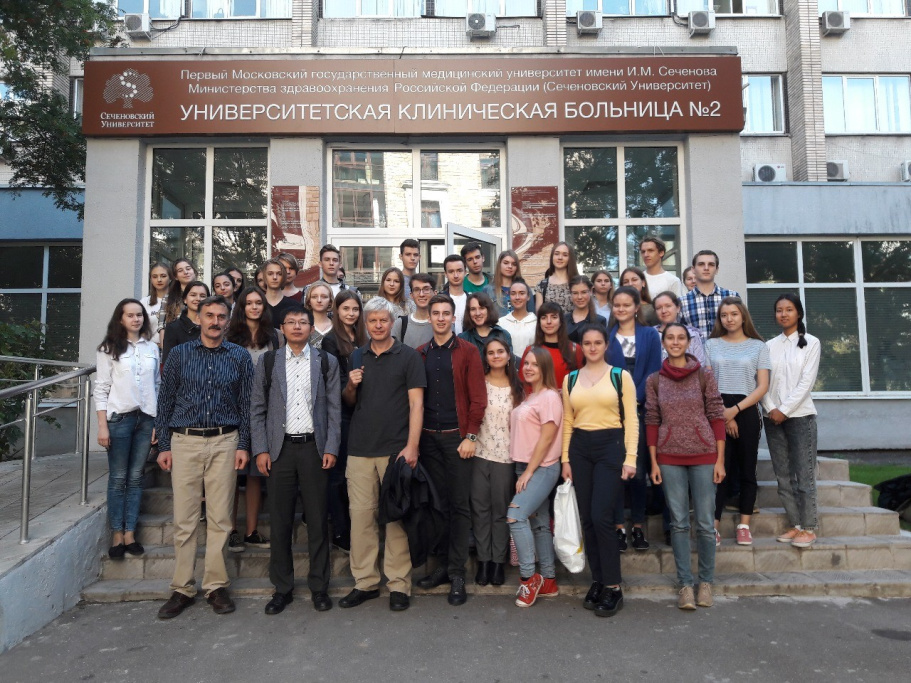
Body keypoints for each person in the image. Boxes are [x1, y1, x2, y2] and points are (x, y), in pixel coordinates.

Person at [155, 295, 254, 619]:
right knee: (184, 520)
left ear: (228, 320)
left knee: (221, 519)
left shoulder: (240, 356)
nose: (215, 321)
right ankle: (182, 588)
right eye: (209, 315)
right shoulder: (180, 355)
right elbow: (165, 401)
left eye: (221, 316)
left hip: (225, 441)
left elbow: (247, 404)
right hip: (185, 442)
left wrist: (244, 445)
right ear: (198, 318)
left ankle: (215, 586)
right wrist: (164, 445)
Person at [251, 304, 341, 616]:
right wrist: (261, 449)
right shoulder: (268, 362)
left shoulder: (326, 362)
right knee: (280, 521)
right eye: (291, 322)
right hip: (281, 451)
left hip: (315, 448)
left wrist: (331, 447)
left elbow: (334, 409)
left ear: (311, 328)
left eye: (303, 322)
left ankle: (319, 587)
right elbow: (257, 408)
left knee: (317, 520)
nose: (298, 326)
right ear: (283, 328)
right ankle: (282, 588)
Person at [339, 297, 425, 612]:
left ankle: (399, 584)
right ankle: (365, 582)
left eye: (383, 320)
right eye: (372, 320)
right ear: (366, 323)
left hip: (395, 450)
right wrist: (350, 385)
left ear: (392, 323)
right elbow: (350, 402)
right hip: (360, 448)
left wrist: (412, 446)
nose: (378, 325)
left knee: (396, 520)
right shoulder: (356, 356)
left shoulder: (409, 357)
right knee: (361, 518)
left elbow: (417, 404)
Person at [646, 323, 726, 610]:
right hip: (669, 457)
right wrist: (654, 462)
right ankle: (684, 584)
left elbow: (716, 414)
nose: (676, 342)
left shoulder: (704, 375)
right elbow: (652, 420)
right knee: (678, 523)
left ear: (689, 342)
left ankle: (705, 582)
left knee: (704, 522)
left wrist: (720, 459)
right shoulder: (655, 380)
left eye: (681, 337)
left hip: (704, 455)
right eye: (670, 338)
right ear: (663, 343)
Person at [415, 294, 487, 606]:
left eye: (446, 313)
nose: (441, 318)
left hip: (458, 440)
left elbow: (478, 398)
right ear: (429, 317)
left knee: (459, 506)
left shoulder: (468, 351)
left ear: (453, 318)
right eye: (436, 313)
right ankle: (443, 567)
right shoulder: (420, 353)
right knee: (438, 506)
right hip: (428, 440)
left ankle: (458, 573)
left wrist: (471, 436)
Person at [562, 325, 639, 618]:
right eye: (587, 343)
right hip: (580, 449)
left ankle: (613, 587)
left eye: (598, 342)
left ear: (606, 345)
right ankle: (598, 580)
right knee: (587, 519)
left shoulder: (620, 376)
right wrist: (565, 459)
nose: (592, 347)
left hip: (611, 446)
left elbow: (632, 420)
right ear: (580, 346)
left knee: (601, 516)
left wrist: (630, 458)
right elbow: (568, 421)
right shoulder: (570, 379)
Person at [94, 298, 160, 560]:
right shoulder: (108, 348)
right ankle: (117, 534)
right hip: (119, 419)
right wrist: (102, 426)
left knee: (135, 477)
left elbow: (157, 385)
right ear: (120, 319)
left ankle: (130, 533)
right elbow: (101, 388)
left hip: (146, 419)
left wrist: (157, 421)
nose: (136, 319)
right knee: (118, 478)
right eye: (130, 315)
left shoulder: (152, 347)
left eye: (139, 315)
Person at [705, 297, 770, 546]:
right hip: (718, 408)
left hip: (747, 410)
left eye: (733, 314)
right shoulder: (711, 344)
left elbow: (762, 386)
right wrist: (724, 413)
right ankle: (714, 526)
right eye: (724, 315)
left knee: (747, 469)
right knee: (719, 469)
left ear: (743, 316)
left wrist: (735, 410)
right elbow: (708, 383)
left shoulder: (758, 346)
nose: (729, 319)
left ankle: (744, 525)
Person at [761, 294, 822, 549]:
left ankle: (809, 527)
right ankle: (795, 524)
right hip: (772, 418)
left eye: (789, 309)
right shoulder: (768, 346)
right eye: (779, 310)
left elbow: (806, 383)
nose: (783, 314)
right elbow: (761, 382)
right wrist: (771, 409)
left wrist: (784, 410)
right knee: (783, 475)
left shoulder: (812, 343)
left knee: (804, 474)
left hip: (800, 416)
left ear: (798, 313)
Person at [605, 286, 662, 552]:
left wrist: (633, 400)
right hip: (611, 412)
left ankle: (638, 527)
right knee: (616, 471)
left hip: (640, 409)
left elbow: (654, 371)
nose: (621, 309)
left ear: (637, 307)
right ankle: (618, 527)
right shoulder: (606, 336)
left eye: (627, 305)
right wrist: (619, 403)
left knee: (638, 472)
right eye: (617, 305)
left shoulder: (650, 335)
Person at [507, 347, 564, 608]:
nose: (528, 368)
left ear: (545, 369)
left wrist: (529, 472)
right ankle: (549, 581)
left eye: (535, 364)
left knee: (515, 516)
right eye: (526, 363)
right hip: (525, 466)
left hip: (542, 467)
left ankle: (529, 579)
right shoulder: (531, 396)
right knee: (540, 524)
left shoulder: (550, 397)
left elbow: (547, 438)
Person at [225, 286, 280, 553]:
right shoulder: (230, 336)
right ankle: (231, 530)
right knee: (233, 475)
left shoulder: (275, 336)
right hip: (234, 409)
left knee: (256, 474)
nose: (255, 307)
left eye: (259, 302)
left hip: (264, 410)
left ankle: (251, 531)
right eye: (249, 303)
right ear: (242, 307)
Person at [471, 338, 522, 588]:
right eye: (491, 352)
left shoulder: (518, 386)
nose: (496, 356)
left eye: (500, 351)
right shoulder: (478, 383)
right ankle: (483, 561)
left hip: (506, 457)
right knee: (480, 509)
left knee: (501, 511)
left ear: (509, 355)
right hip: (479, 454)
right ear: (486, 357)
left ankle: (498, 562)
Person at [321, 290, 368, 553]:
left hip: (363, 412)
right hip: (341, 413)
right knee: (338, 475)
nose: (351, 313)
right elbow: (335, 383)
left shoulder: (363, 338)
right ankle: (340, 530)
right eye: (346, 308)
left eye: (355, 309)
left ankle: (355, 527)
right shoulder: (330, 341)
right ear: (336, 311)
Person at [519, 301, 583, 390]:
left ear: (561, 321)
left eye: (554, 317)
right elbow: (523, 385)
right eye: (544, 318)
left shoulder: (574, 349)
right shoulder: (530, 350)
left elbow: (582, 382)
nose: (549, 322)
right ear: (539, 322)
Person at [680, 250, 741, 338]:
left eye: (711, 264)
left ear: (717, 270)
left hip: (727, 347)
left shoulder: (732, 296)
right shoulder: (682, 302)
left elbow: (741, 329)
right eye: (701, 264)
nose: (706, 268)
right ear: (693, 269)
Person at [161, 281, 209, 367]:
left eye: (202, 296)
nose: (198, 299)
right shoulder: (173, 328)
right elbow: (168, 363)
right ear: (185, 299)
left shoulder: (213, 326)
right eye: (193, 295)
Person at [653, 291, 706, 365]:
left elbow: (700, 364)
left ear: (678, 308)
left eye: (668, 306)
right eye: (658, 308)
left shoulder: (692, 335)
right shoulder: (650, 336)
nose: (663, 311)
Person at [458, 291, 513, 357]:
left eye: (481, 308)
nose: (478, 313)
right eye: (473, 309)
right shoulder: (462, 339)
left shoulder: (503, 335)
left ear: (489, 310)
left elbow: (509, 361)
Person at [392, 272, 436, 349]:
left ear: (435, 293)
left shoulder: (442, 323)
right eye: (417, 290)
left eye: (426, 289)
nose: (421, 294)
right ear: (411, 295)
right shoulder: (400, 324)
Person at [535, 241, 578, 313]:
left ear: (570, 258)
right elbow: (539, 314)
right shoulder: (541, 285)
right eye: (557, 254)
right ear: (552, 256)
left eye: (565, 255)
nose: (560, 258)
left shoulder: (577, 283)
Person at [499, 279, 537, 358]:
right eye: (513, 293)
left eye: (521, 293)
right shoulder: (501, 323)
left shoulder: (536, 323)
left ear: (528, 296)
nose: (517, 297)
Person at [158, 258, 198, 330]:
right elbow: (161, 326)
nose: (186, 272)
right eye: (180, 270)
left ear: (194, 271)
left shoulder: (203, 295)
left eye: (188, 269)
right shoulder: (168, 297)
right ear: (176, 277)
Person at [565, 275, 607, 344]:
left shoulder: (600, 321)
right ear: (570, 294)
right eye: (575, 293)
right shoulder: (563, 320)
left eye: (584, 292)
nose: (579, 297)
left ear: (591, 291)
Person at [262, 258, 296, 330]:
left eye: (279, 274)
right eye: (270, 274)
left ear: (283, 277)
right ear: (264, 277)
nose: (274, 277)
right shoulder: (257, 305)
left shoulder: (294, 306)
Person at [492, 249, 528, 316]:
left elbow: (531, 314)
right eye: (506, 263)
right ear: (499, 265)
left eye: (514, 264)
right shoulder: (488, 289)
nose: (510, 266)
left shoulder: (524, 288)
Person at [442, 254, 469, 335]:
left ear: (465, 272)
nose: (456, 275)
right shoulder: (439, 301)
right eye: (451, 271)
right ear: (446, 274)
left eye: (459, 271)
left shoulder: (472, 300)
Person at [304, 281, 334, 349]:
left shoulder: (338, 327)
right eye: (314, 297)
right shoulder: (303, 326)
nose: (319, 300)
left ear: (330, 301)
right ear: (309, 301)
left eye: (324, 297)